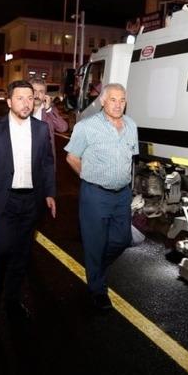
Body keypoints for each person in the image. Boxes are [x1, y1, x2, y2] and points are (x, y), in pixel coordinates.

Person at [0, 80, 56, 319]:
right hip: (4, 201)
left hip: (31, 201)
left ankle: (12, 296)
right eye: (20, 98)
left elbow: (47, 164)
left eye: (30, 98)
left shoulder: (40, 130)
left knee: (22, 252)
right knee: (2, 250)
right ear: (8, 101)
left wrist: (49, 193)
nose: (26, 103)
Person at [64, 83, 138, 310]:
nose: (118, 104)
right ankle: (98, 291)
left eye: (122, 100)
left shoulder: (131, 125)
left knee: (122, 239)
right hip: (95, 194)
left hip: (122, 195)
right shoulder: (86, 127)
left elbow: (131, 159)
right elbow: (72, 158)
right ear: (103, 101)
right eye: (113, 99)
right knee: (95, 244)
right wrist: (89, 176)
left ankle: (95, 267)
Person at [29, 77, 68, 167]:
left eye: (41, 91)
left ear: (45, 95)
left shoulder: (50, 111)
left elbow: (63, 128)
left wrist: (49, 109)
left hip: (44, 161)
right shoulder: (23, 109)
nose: (37, 95)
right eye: (34, 91)